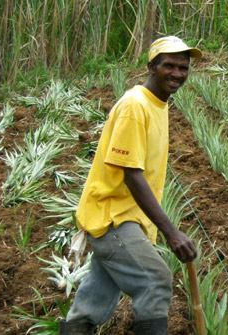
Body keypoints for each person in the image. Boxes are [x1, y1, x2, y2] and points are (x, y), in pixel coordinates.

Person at [59, 36, 202, 335]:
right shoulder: (135, 107)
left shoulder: (157, 104)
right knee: (156, 280)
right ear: (151, 66)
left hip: (125, 216)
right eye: (169, 66)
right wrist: (171, 232)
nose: (177, 73)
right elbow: (131, 175)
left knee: (95, 297)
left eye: (183, 68)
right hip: (113, 216)